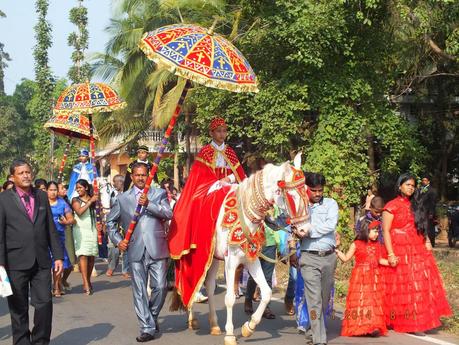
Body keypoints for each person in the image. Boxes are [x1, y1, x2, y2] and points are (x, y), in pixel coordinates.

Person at [169, 117, 246, 308]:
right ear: (211, 133)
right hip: (210, 190)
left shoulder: (230, 152)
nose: (222, 134)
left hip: (229, 189)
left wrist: (231, 180)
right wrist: (219, 182)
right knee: (200, 205)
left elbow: (240, 176)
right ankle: (201, 235)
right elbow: (199, 179)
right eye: (218, 131)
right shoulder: (205, 151)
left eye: (224, 131)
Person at [0, 159, 63, 345]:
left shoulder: (41, 196)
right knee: (18, 309)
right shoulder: (3, 200)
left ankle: (40, 341)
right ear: (13, 177)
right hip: (14, 262)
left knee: (45, 304)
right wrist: (1, 264)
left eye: (28, 172)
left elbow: (50, 228)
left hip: (41, 262)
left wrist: (58, 256)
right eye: (21, 173)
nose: (26, 175)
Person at [107, 162, 172, 342]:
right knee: (140, 290)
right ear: (132, 176)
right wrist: (118, 241)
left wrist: (149, 204)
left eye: (144, 175)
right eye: (137, 175)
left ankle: (150, 316)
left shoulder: (158, 193)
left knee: (160, 286)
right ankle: (147, 328)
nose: (141, 178)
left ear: (148, 175)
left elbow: (168, 213)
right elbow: (110, 223)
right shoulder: (122, 198)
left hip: (157, 248)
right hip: (134, 249)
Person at [382, 173, 451, 335]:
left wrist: (427, 240)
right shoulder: (391, 206)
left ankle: (417, 320)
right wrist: (391, 254)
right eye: (407, 185)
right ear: (400, 186)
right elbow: (385, 231)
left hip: (416, 247)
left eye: (413, 186)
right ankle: (399, 320)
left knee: (418, 283)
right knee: (399, 286)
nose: (411, 188)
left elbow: (421, 225)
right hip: (397, 247)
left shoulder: (416, 204)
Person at [294, 173, 338, 345]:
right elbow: (290, 223)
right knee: (315, 300)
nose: (318, 193)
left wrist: (309, 230)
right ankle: (320, 340)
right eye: (314, 190)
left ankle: (313, 332)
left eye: (320, 190)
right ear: (307, 189)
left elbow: (330, 225)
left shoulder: (331, 204)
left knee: (324, 299)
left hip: (329, 257)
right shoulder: (300, 207)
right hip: (309, 258)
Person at [335, 219, 388, 337]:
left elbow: (380, 260)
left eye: (377, 231)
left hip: (374, 277)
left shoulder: (377, 245)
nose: (377, 234)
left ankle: (372, 326)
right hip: (360, 277)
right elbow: (345, 258)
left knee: (372, 301)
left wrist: (392, 262)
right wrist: (336, 251)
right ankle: (358, 326)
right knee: (360, 300)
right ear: (366, 230)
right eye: (374, 231)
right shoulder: (356, 244)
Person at [46, 181, 74, 297]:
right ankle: (51, 286)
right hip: (44, 237)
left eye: (55, 190)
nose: (53, 192)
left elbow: (71, 219)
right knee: (47, 263)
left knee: (60, 262)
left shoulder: (63, 203)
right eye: (51, 190)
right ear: (46, 191)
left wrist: (65, 222)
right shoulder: (42, 203)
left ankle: (56, 285)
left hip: (59, 237)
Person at [71, 179, 99, 295]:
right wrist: (90, 202)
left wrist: (100, 223)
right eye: (77, 188)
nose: (78, 190)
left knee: (91, 256)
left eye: (80, 187)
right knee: (83, 255)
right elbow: (79, 212)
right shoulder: (75, 200)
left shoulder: (93, 198)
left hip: (92, 229)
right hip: (80, 229)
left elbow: (98, 212)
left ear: (86, 188)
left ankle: (88, 280)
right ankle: (85, 283)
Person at [106, 174, 130, 279]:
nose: (114, 184)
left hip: (124, 225)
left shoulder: (127, 194)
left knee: (125, 249)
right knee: (113, 249)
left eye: (115, 181)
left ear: (120, 182)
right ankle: (111, 267)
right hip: (114, 225)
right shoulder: (111, 194)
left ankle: (125, 270)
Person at [57, 183, 76, 290]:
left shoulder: (65, 202)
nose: (65, 190)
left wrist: (68, 221)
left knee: (70, 263)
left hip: (66, 232)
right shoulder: (48, 203)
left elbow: (71, 219)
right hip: (54, 234)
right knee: (58, 262)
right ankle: (57, 286)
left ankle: (63, 280)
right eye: (62, 188)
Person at [419, 174, 437, 247]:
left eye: (425, 180)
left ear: (428, 182)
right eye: (422, 180)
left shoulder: (432, 191)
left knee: (429, 227)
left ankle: (431, 243)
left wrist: (431, 213)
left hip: (429, 212)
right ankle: (422, 242)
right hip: (421, 212)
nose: (423, 182)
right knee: (422, 227)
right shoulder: (420, 189)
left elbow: (433, 202)